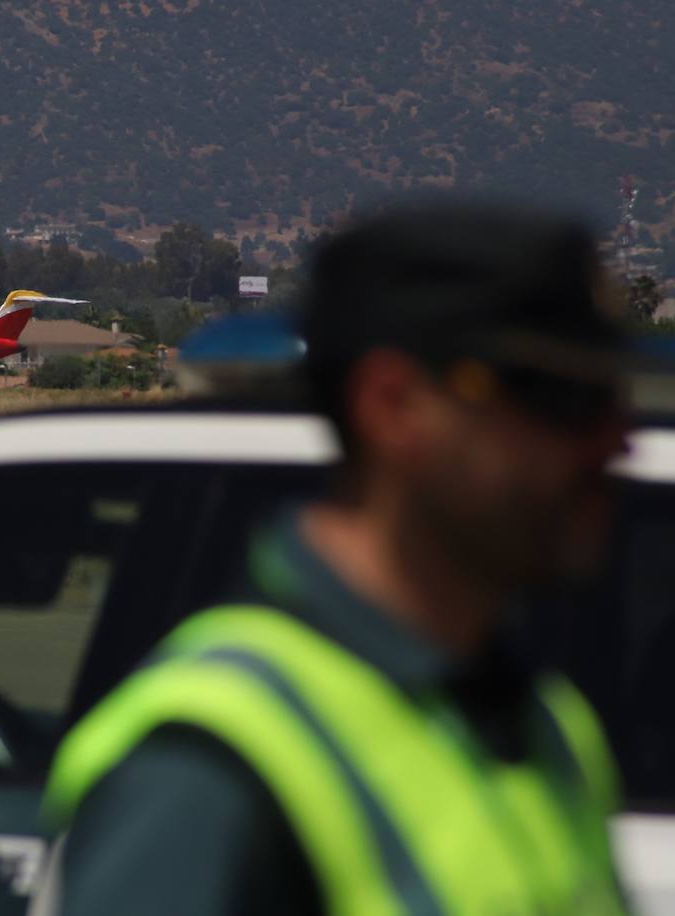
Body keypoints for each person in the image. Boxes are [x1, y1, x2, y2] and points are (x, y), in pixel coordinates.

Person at [39, 201, 631, 914]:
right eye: (561, 399)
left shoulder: (547, 723)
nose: (612, 443)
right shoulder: (213, 771)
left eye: (612, 400)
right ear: (394, 406)